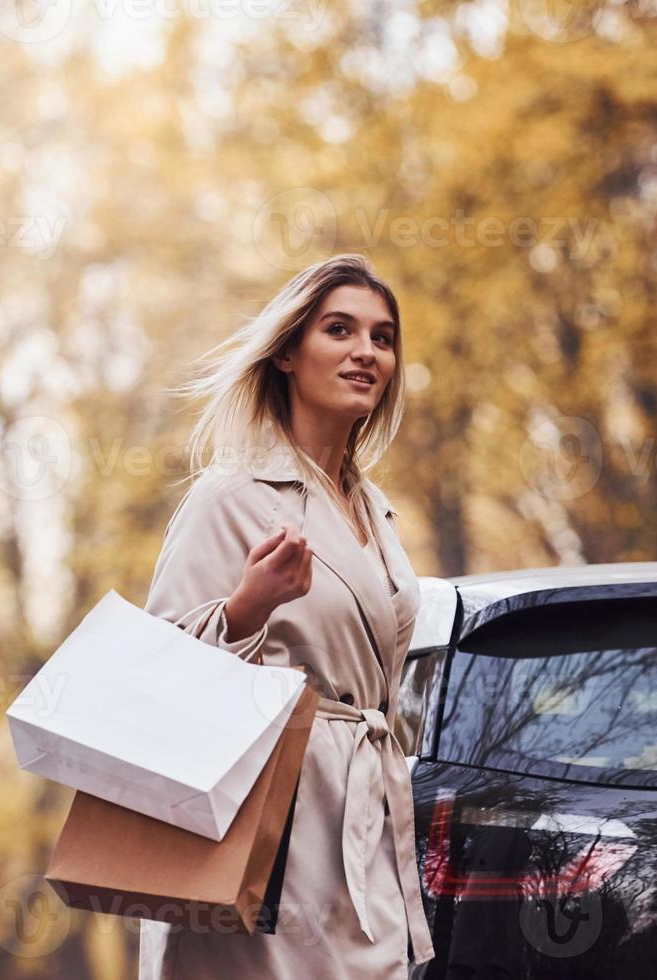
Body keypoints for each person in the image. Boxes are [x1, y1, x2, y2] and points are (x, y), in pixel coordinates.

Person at [137, 253, 436, 978]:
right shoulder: (230, 496)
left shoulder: (374, 510)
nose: (366, 351)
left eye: (382, 337)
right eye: (340, 330)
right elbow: (152, 676)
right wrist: (248, 607)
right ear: (286, 354)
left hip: (363, 813)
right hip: (265, 825)